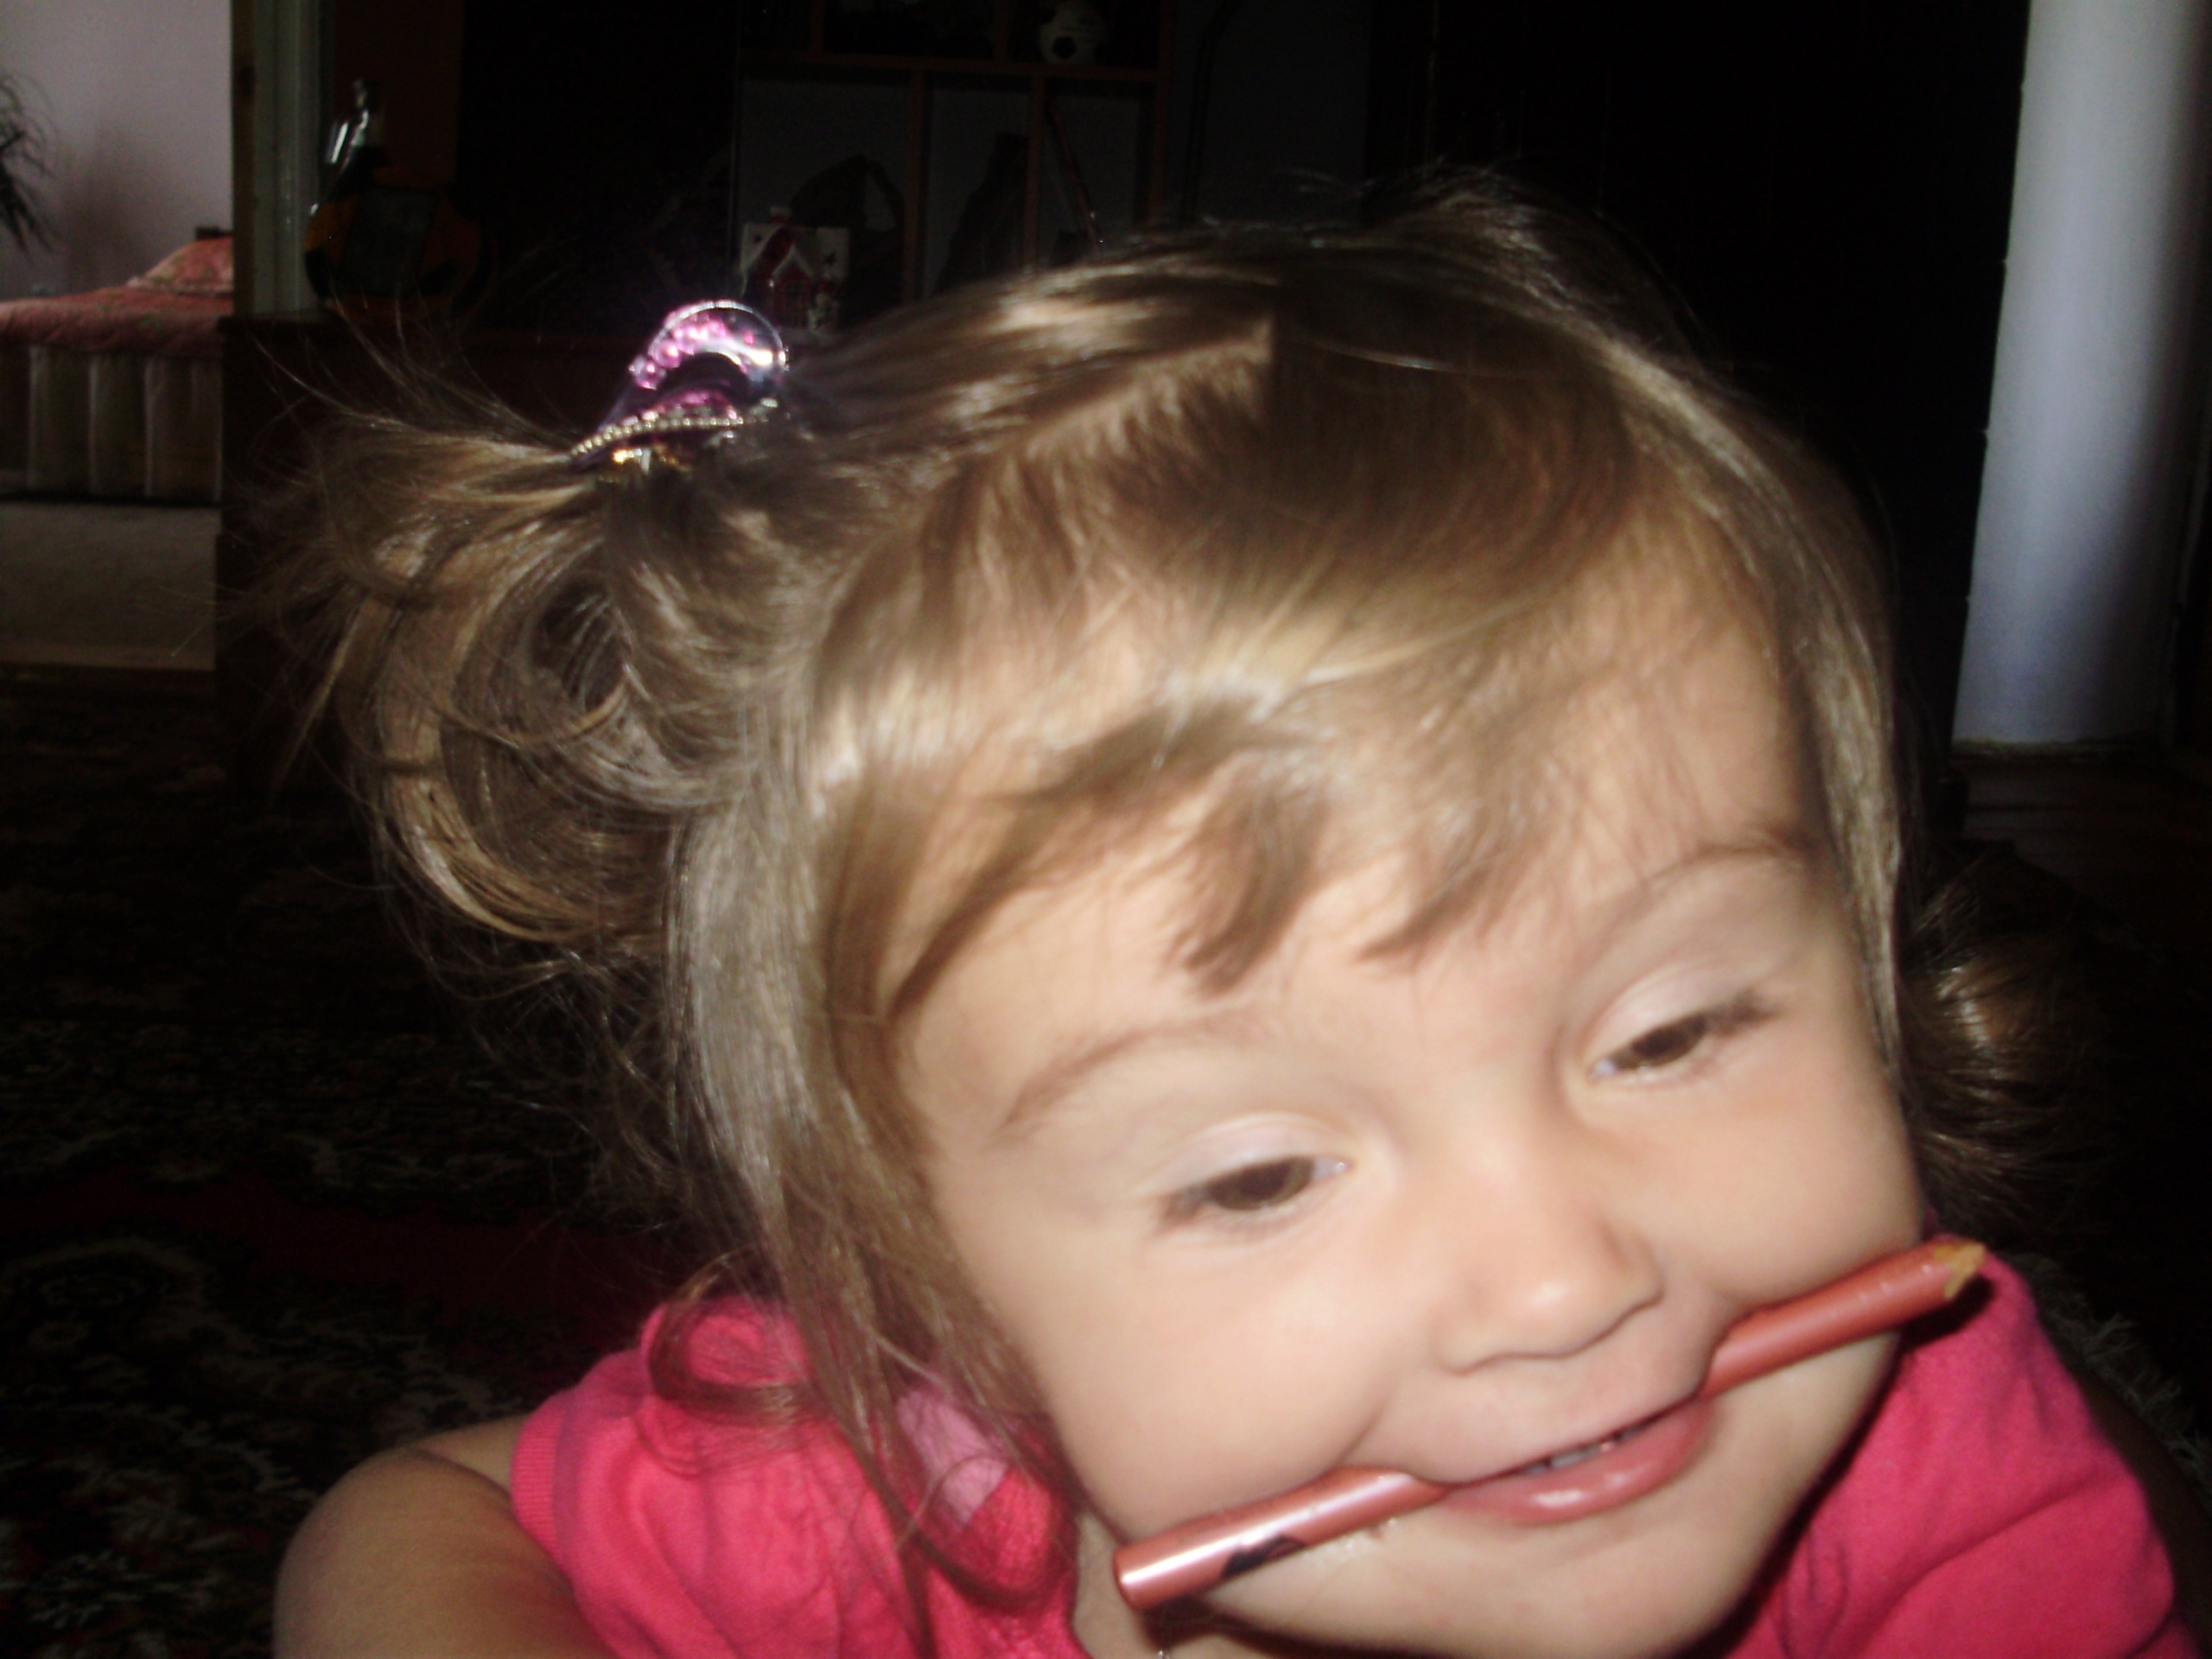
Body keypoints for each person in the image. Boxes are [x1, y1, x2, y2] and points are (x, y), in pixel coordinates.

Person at [271, 181, 2198, 1657]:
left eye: (1672, 1032)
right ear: (912, 1282)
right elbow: (418, 1521)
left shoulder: (1949, 1480)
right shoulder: (899, 1492)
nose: (1561, 1284)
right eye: (1258, 1175)